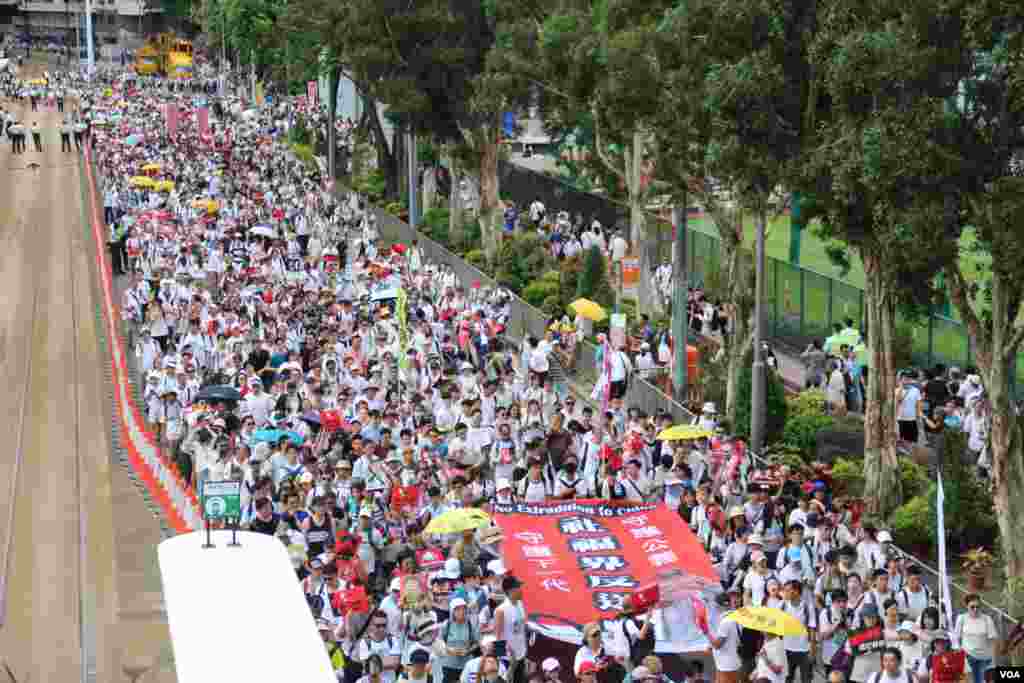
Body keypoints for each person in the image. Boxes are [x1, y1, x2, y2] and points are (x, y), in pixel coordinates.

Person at [952, 596, 997, 683]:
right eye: (972, 607)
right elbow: (956, 639)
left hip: (984, 657)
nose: (975, 609)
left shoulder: (987, 619)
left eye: (978, 607)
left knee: (980, 680)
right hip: (967, 656)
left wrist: (993, 662)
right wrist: (959, 655)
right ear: (967, 606)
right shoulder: (962, 618)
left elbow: (993, 641)